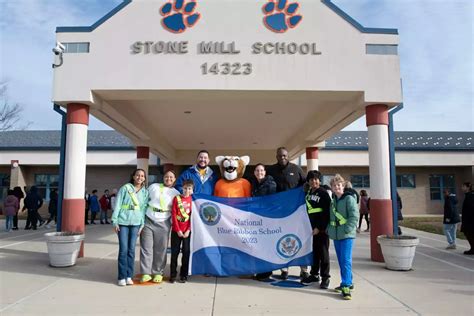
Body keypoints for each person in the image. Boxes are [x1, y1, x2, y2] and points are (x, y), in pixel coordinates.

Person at [266, 147, 307, 280]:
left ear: (288, 156)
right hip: (279, 213)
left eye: (284, 155)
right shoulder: (271, 170)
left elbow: (306, 185)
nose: (282, 158)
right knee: (282, 240)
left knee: (299, 239)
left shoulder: (296, 169)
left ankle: (304, 269)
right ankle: (284, 269)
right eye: (279, 156)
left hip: (296, 213)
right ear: (276, 157)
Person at [140, 170, 180, 283]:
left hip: (164, 221)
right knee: (146, 248)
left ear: (175, 179)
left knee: (160, 249)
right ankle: (146, 273)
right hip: (149, 219)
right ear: (163, 177)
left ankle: (158, 272)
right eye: (167, 177)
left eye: (171, 177)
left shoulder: (176, 193)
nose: (169, 179)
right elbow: (144, 200)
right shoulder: (154, 187)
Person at [111, 169, 149, 286]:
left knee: (131, 251)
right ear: (133, 176)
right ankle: (121, 276)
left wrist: (142, 224)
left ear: (144, 178)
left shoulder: (145, 192)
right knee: (123, 250)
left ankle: (129, 276)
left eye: (142, 176)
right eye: (138, 175)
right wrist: (114, 220)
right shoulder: (125, 188)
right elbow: (117, 204)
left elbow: (143, 209)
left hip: (136, 223)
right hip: (123, 222)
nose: (140, 177)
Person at [327, 174, 358, 300]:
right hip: (336, 235)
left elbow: (354, 216)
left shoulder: (349, 199)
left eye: (339, 185)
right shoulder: (333, 201)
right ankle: (349, 282)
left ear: (343, 186)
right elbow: (331, 218)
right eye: (334, 186)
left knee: (345, 260)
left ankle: (345, 285)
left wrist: (346, 230)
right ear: (332, 188)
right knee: (341, 260)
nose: (337, 187)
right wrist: (329, 229)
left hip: (346, 235)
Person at [301, 170, 331, 289]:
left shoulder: (323, 193)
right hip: (310, 229)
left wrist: (319, 227)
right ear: (308, 181)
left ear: (319, 180)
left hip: (321, 230)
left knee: (323, 254)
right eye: (312, 179)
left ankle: (325, 277)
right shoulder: (308, 193)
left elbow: (327, 212)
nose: (314, 181)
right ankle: (314, 274)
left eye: (316, 179)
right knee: (314, 254)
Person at [249, 163, 277, 281]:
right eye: (257, 170)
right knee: (258, 246)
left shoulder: (271, 185)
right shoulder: (254, 184)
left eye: (261, 170)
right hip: (256, 219)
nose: (259, 172)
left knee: (266, 246)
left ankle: (266, 271)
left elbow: (271, 202)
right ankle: (261, 270)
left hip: (266, 219)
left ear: (265, 172)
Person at [170, 179, 194, 283]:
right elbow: (174, 214)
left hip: (187, 231)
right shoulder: (177, 199)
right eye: (185, 188)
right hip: (176, 230)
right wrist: (178, 230)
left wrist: (188, 230)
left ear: (192, 190)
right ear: (182, 188)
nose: (187, 190)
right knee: (174, 253)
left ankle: (183, 274)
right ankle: (173, 274)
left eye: (189, 188)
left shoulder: (193, 200)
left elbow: (192, 217)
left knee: (186, 253)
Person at [460, 182, 474, 255]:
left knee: (469, 233)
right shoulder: (467, 195)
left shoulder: (471, 196)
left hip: (470, 220)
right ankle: (473, 248)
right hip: (467, 219)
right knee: (468, 233)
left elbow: (471, 208)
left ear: (468, 187)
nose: (462, 188)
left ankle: (473, 249)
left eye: (463, 186)